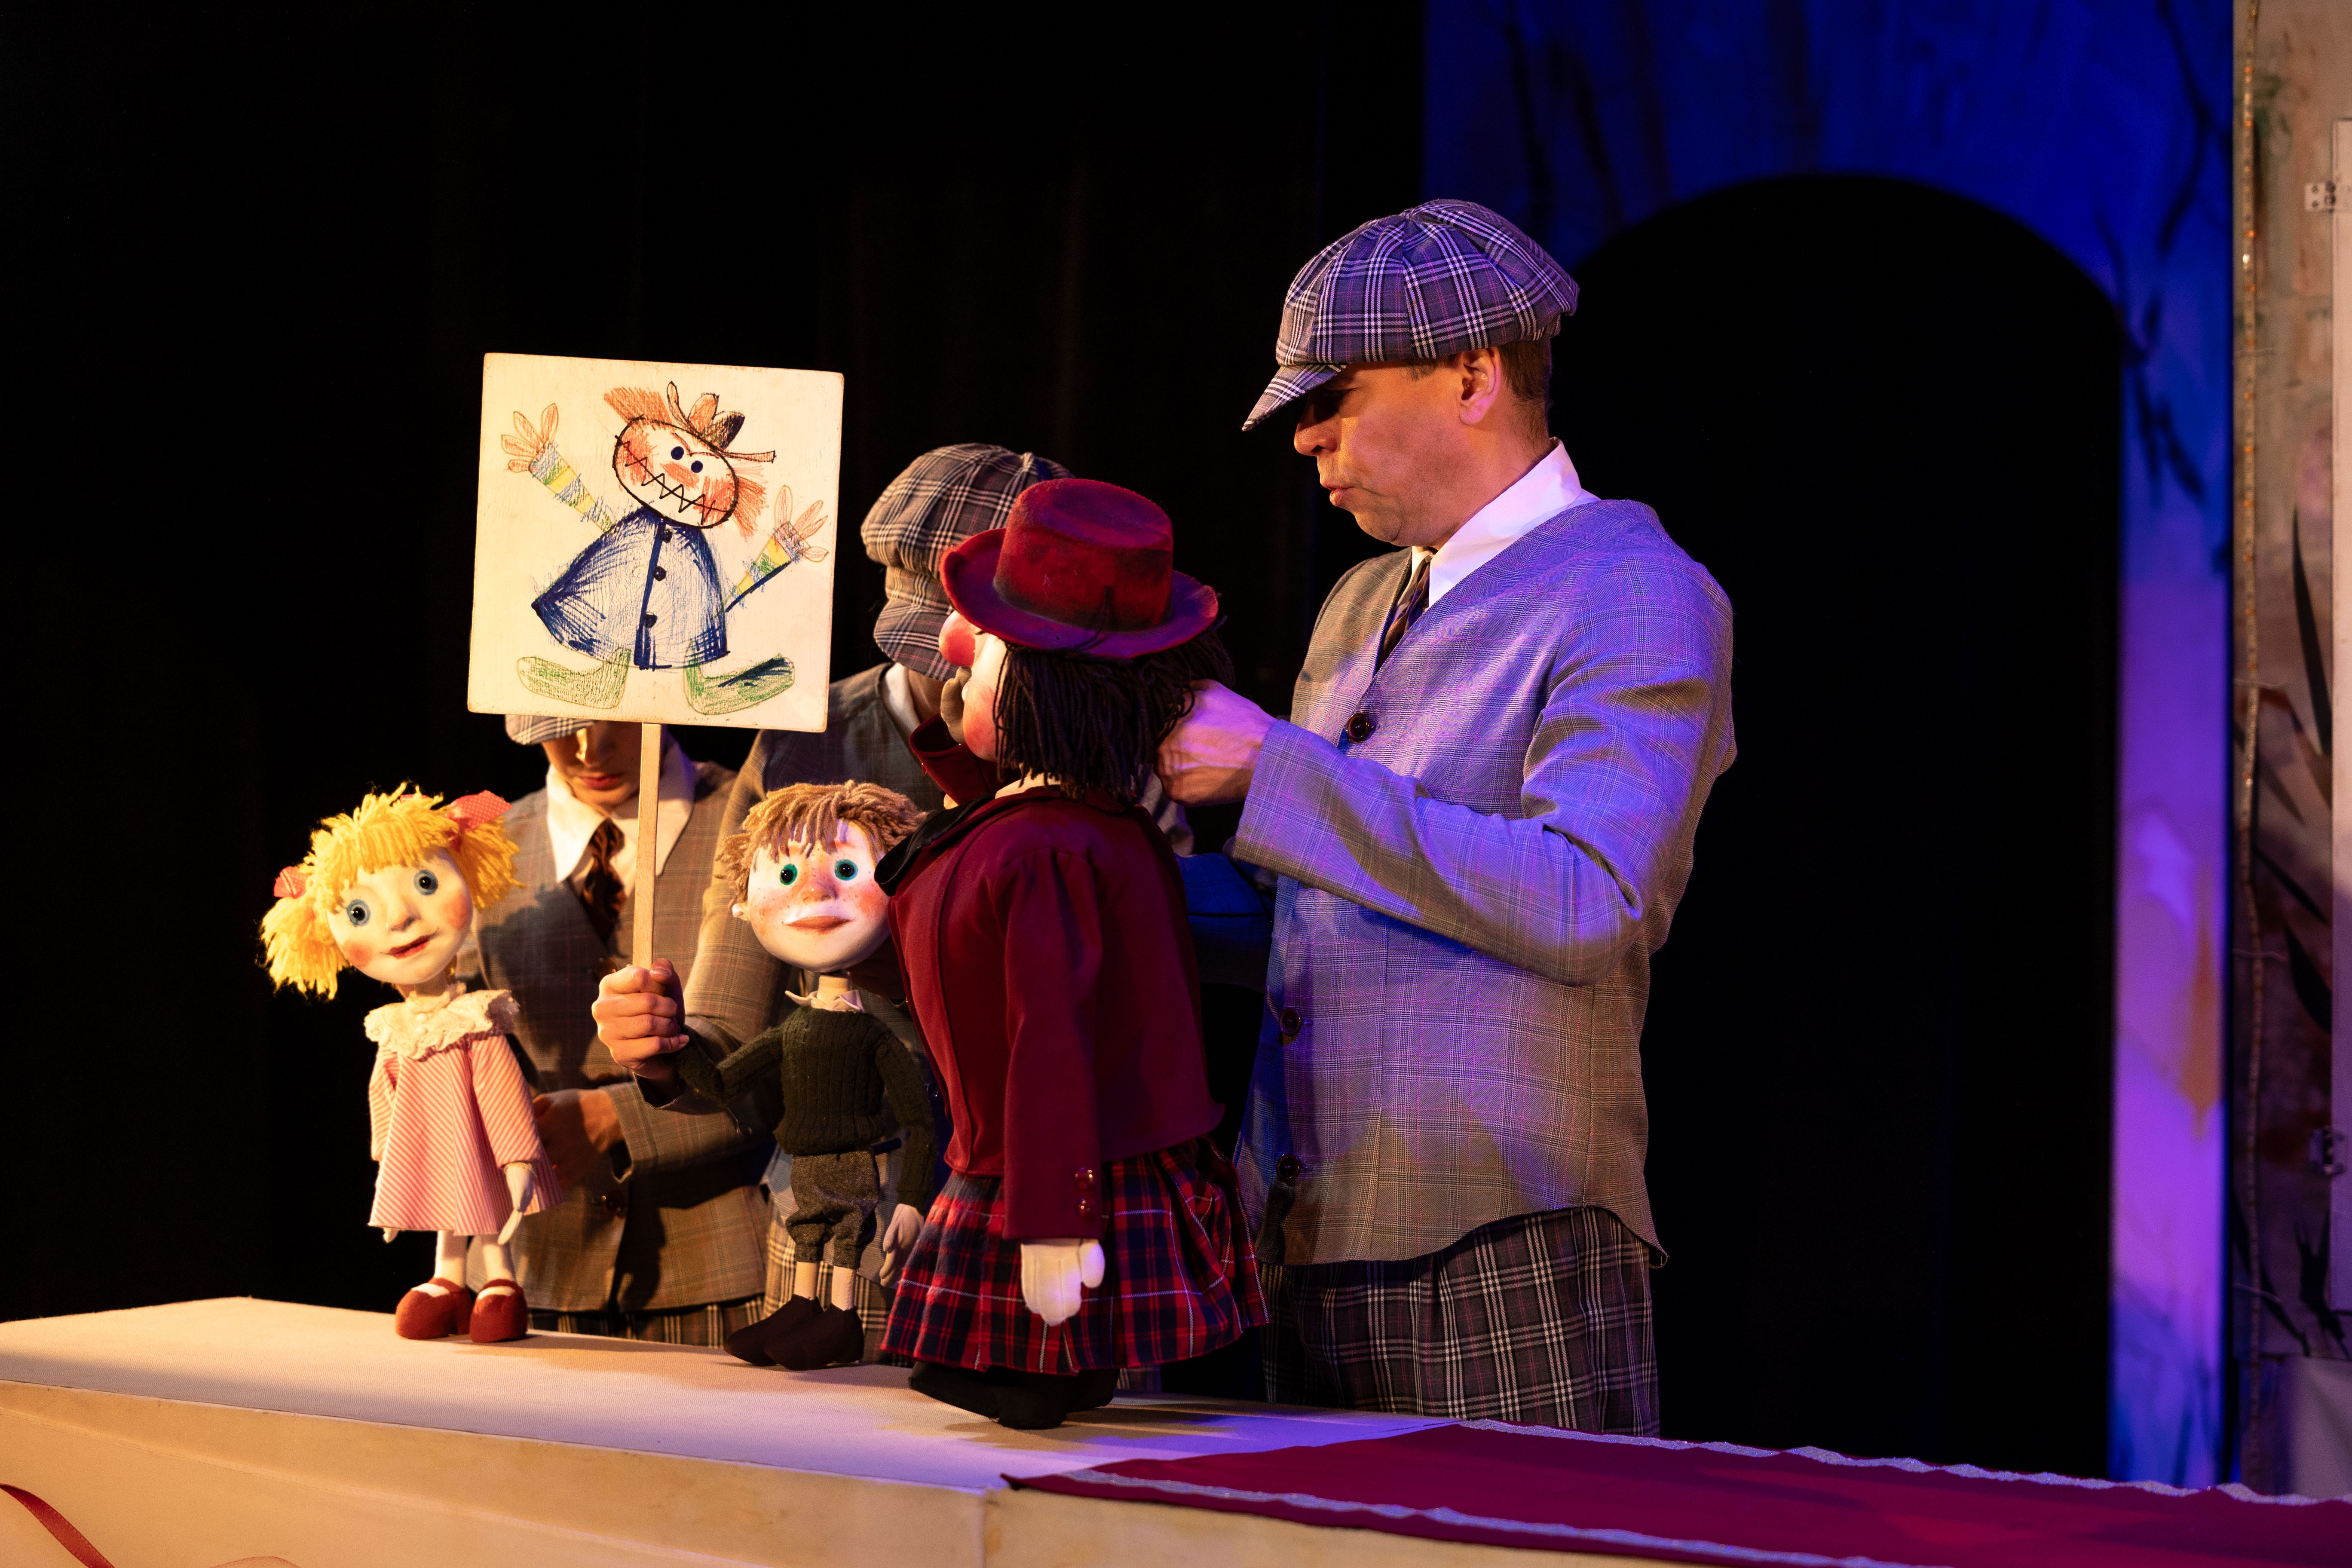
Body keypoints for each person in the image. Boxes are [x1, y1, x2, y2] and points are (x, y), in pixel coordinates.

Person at [1157, 199, 1736, 1431]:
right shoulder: (1362, 601)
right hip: (1308, 1228)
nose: (1306, 437)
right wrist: (1055, 874)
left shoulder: (1633, 589)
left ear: (1473, 378)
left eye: (1335, 398)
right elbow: (1311, 909)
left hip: (1500, 1235)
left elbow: (1589, 899)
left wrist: (1275, 770)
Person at [593, 444, 1071, 1354]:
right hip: (862, 1216)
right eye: (936, 647)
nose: (960, 672)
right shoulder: (807, 746)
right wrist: (662, 1049)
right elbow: (731, 1023)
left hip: (1057, 1213)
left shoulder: (1101, 742)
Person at [876, 477, 1265, 1430]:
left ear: (1041, 693)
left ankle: (1043, 1367)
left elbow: (1050, 1036)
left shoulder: (1052, 849)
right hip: (1016, 1143)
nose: (954, 662)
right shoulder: (1068, 823)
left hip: (1054, 1157)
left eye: (984, 661)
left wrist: (1055, 1219)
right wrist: (952, 744)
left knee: (1034, 1331)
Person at [461, 717, 766, 1345]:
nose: (589, 750)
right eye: (562, 726)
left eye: (615, 722)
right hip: (532, 1270)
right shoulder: (483, 850)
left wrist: (617, 1117)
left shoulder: (760, 828)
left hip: (718, 1266)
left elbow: (813, 1060)